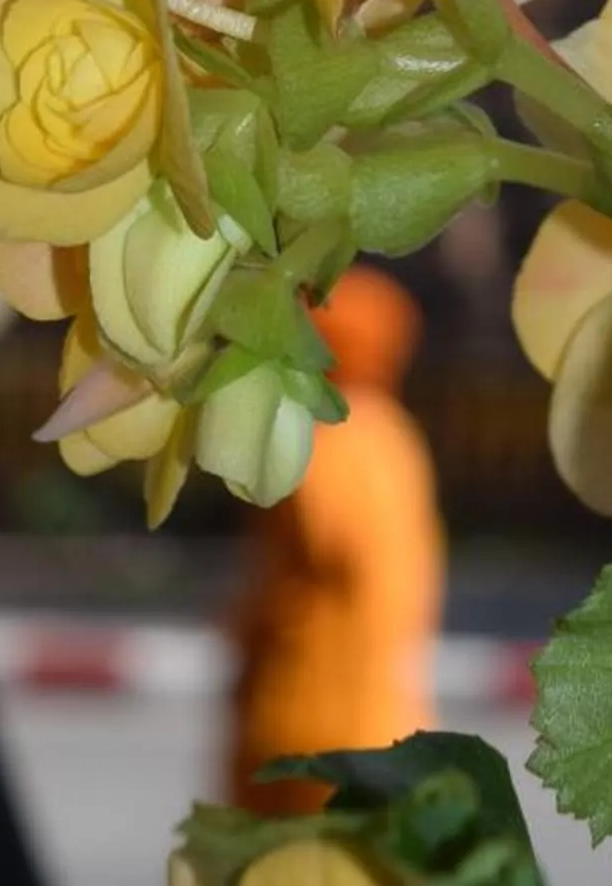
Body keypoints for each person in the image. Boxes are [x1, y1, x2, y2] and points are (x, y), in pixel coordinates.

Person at [227, 268, 445, 814]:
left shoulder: (322, 440)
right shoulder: (395, 435)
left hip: (308, 723)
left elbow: (330, 551)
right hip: (386, 722)